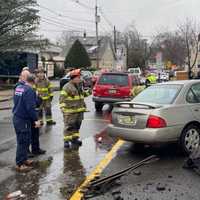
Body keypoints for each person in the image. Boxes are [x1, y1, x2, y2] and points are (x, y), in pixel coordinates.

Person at [13, 74, 41, 172]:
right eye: (37, 79)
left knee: (24, 140)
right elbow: (30, 108)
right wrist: (36, 120)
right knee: (23, 141)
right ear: (34, 81)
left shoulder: (19, 87)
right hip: (23, 119)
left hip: (17, 117)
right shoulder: (30, 90)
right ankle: (20, 164)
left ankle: (24, 159)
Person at [59, 69, 90, 148]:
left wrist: (89, 91)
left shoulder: (79, 86)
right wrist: (63, 108)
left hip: (79, 111)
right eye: (78, 77)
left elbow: (82, 95)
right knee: (69, 126)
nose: (80, 79)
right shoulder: (67, 87)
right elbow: (62, 98)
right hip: (70, 112)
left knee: (77, 126)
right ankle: (66, 141)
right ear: (74, 78)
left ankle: (74, 139)